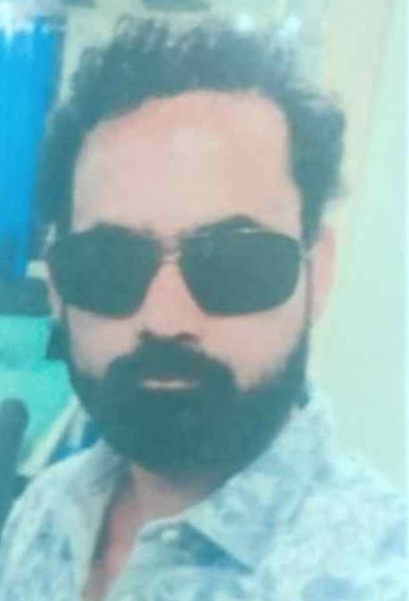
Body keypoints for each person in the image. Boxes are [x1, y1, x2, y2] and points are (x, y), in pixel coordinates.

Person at [0, 18, 405, 601]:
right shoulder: (46, 507)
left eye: (235, 262)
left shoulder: (378, 573)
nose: (166, 319)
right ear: (60, 286)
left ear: (318, 272)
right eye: (110, 262)